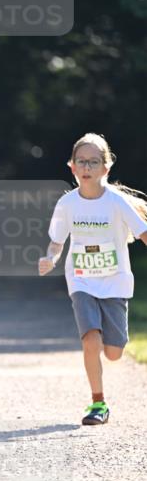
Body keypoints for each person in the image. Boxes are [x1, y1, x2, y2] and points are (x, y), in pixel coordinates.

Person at [39, 133, 147, 425]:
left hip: (115, 282)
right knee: (91, 339)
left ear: (106, 168)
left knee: (112, 353)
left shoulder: (116, 202)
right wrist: (51, 258)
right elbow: (56, 241)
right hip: (82, 280)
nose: (87, 167)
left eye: (94, 162)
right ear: (72, 167)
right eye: (81, 162)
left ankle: (107, 352)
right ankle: (98, 403)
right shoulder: (67, 204)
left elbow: (143, 232)